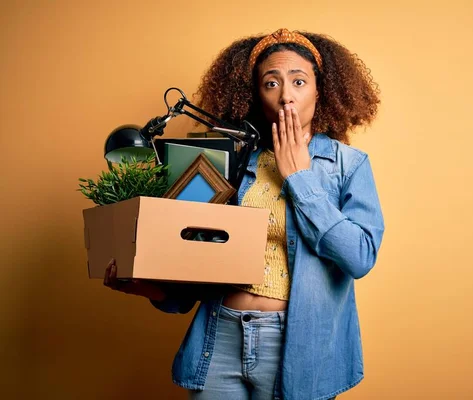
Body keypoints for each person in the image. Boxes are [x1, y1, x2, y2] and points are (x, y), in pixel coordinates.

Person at [104, 28, 385, 400]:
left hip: (297, 348)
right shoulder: (229, 160)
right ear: (255, 95)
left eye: (298, 81)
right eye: (271, 83)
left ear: (321, 89)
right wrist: (148, 288)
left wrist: (300, 179)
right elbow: (196, 257)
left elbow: (359, 257)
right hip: (219, 337)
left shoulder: (347, 165)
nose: (286, 95)